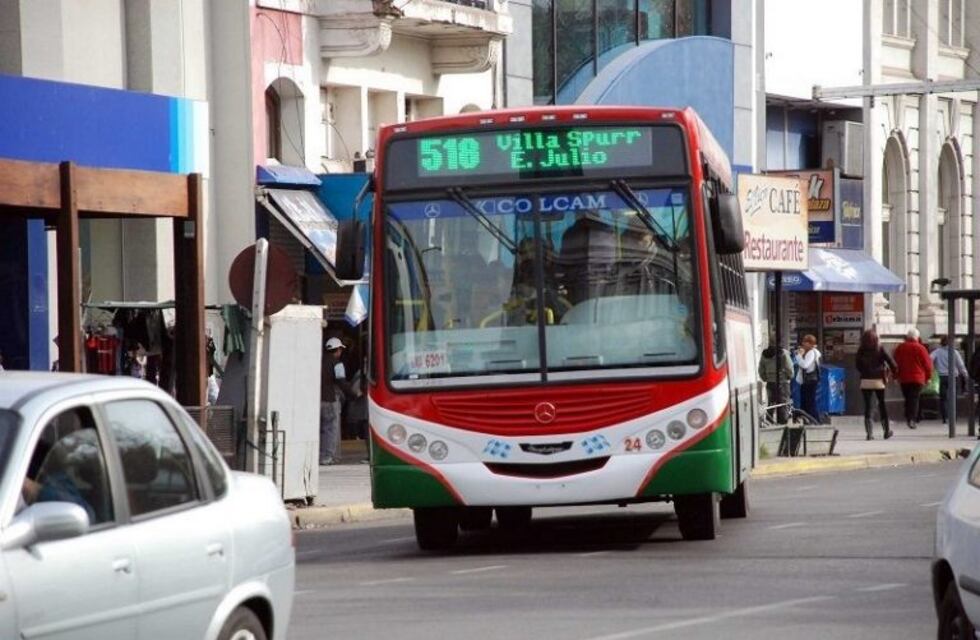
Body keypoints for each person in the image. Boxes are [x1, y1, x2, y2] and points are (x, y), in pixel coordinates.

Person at [855, 329, 897, 440]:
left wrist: (865, 372)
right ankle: (886, 431)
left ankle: (869, 434)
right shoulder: (880, 349)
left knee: (868, 406)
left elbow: (857, 365)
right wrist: (893, 374)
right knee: (882, 404)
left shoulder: (861, 350)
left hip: (865, 381)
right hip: (879, 381)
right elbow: (892, 363)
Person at [319, 337, 351, 465]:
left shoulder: (318, 360)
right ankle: (327, 456)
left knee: (320, 429)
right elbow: (341, 381)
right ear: (337, 350)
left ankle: (319, 455)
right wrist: (353, 394)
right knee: (330, 429)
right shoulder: (337, 364)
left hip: (317, 400)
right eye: (340, 349)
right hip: (330, 399)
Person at [893, 328, 933, 429]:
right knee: (914, 399)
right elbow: (927, 364)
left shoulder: (900, 348)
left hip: (904, 378)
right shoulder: (921, 348)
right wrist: (928, 377)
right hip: (918, 379)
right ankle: (912, 419)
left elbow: (895, 362)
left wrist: (895, 376)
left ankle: (908, 416)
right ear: (917, 337)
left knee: (908, 398)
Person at [931, 336, 969, 424]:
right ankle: (953, 417)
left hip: (942, 377)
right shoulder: (955, 352)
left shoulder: (937, 351)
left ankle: (945, 418)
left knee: (943, 398)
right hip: (953, 377)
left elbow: (929, 359)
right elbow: (961, 365)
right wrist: (966, 376)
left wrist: (934, 368)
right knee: (953, 397)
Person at [758, 338, 793, 424]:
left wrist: (765, 378)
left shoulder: (764, 354)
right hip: (783, 382)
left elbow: (761, 369)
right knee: (783, 404)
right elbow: (789, 368)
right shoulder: (783, 353)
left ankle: (770, 422)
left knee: (771, 404)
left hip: (770, 383)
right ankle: (783, 424)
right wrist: (789, 377)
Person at [794, 334, 822, 421]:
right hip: (809, 381)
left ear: (810, 343)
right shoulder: (812, 352)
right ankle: (809, 419)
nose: (803, 344)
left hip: (809, 381)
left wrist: (799, 356)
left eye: (805, 342)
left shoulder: (811, 353)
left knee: (809, 401)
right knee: (807, 401)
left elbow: (805, 365)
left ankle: (814, 419)